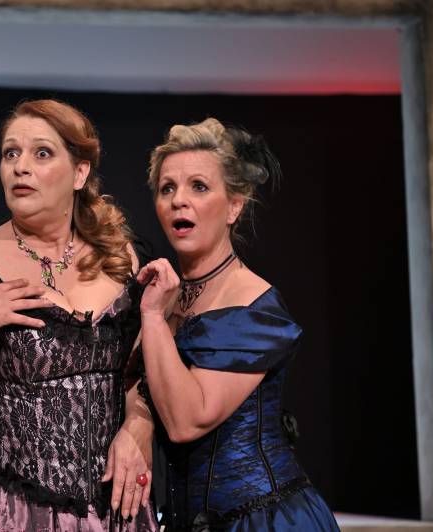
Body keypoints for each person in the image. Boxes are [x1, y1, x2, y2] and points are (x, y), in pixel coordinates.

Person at [0, 99, 159, 531]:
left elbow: (140, 374)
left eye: (42, 153)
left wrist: (139, 426)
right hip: (4, 510)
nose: (21, 167)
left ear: (80, 173)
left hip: (110, 510)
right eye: (10, 153)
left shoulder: (122, 258)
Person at [137, 119, 339, 531]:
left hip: (262, 519)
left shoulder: (253, 306)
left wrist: (154, 317)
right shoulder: (168, 294)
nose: (179, 200)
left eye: (198, 186)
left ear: (234, 206)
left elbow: (186, 420)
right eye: (167, 188)